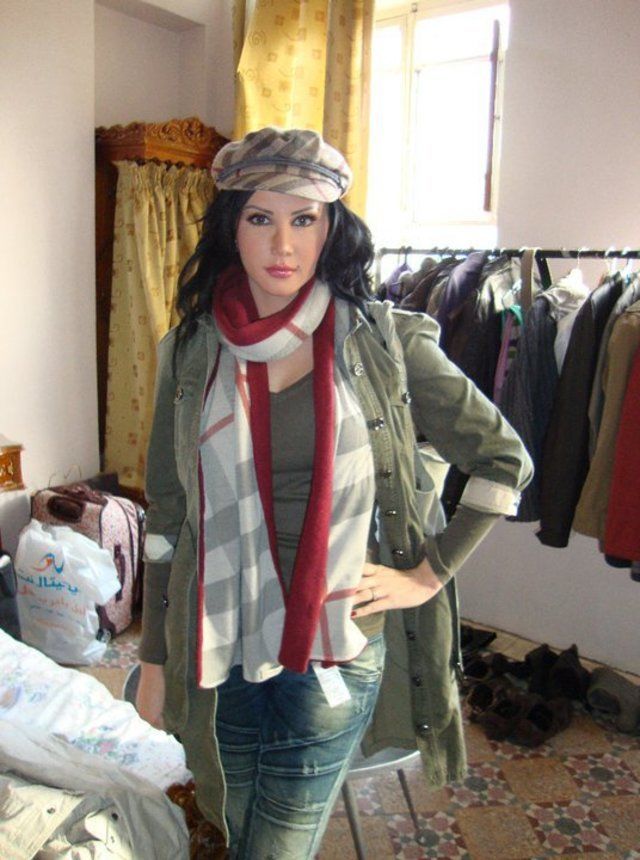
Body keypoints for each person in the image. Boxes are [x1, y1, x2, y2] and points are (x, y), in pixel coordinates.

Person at [135, 126, 533, 859]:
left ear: (331, 231)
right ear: (231, 229)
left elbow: (504, 460)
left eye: (304, 219)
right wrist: (156, 660)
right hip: (219, 640)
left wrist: (428, 573)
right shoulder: (190, 351)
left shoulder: (387, 342)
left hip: (336, 647)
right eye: (261, 218)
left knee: (277, 847)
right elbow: (168, 517)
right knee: (234, 823)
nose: (282, 244)